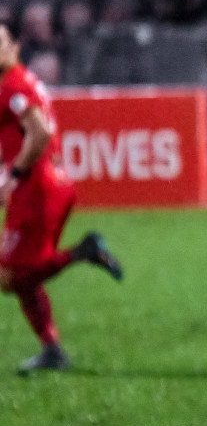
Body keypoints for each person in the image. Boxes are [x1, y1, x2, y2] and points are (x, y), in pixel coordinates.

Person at [0, 25, 123, 374]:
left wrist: (14, 176)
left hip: (37, 189)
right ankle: (52, 350)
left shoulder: (12, 86)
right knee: (18, 276)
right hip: (48, 184)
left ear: (15, 47)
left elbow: (40, 132)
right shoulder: (18, 82)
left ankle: (84, 251)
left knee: (10, 277)